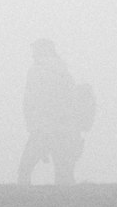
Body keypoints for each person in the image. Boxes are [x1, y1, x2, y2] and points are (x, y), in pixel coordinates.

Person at [17, 39, 85, 185]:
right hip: (63, 127)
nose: (32, 55)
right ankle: (67, 204)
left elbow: (30, 101)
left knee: (25, 168)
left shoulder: (36, 70)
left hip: (42, 127)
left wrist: (31, 124)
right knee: (63, 171)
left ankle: (21, 200)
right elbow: (72, 100)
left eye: (34, 50)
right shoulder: (64, 71)